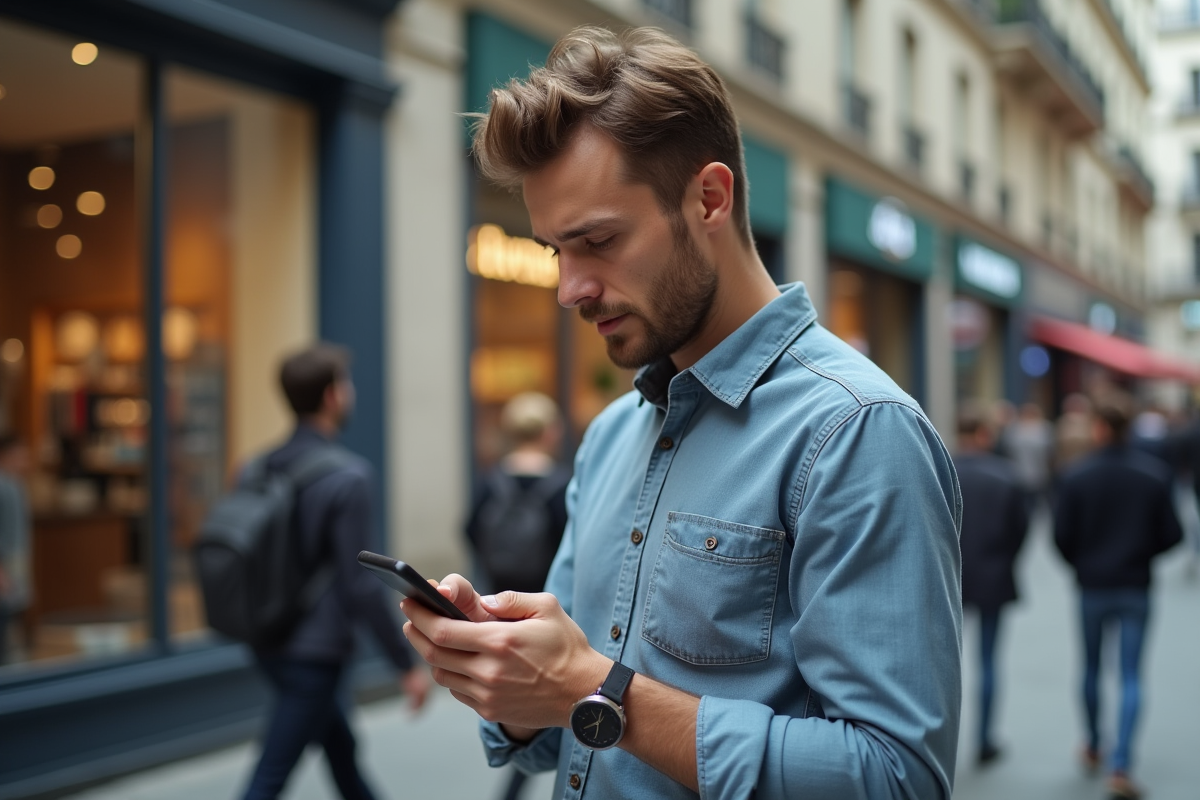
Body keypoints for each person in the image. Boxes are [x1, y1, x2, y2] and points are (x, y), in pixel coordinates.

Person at [402, 26, 962, 800]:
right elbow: (560, 734)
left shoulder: (857, 431)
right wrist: (517, 677)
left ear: (709, 198)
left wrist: (594, 691)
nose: (569, 287)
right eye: (556, 250)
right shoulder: (608, 436)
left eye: (597, 240)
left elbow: (894, 779)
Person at [240, 344, 430, 800]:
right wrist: (405, 665)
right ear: (331, 397)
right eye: (345, 385)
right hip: (315, 652)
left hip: (266, 638)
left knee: (341, 751)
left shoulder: (255, 467)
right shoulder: (348, 476)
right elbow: (360, 585)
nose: (350, 392)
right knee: (270, 774)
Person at [1054, 392, 1182, 800]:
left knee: (1091, 669)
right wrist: (1141, 553)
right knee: (1130, 674)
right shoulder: (1154, 475)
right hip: (1135, 584)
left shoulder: (1076, 475)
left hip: (1091, 585)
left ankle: (1093, 743)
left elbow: (1061, 537)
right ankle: (1122, 762)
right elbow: (1174, 534)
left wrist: (1083, 561)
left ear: (1099, 427)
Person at [465, 391, 570, 800]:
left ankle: (513, 778)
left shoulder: (491, 481)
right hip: (549, 603)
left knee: (516, 698)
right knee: (545, 699)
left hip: (500, 601)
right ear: (549, 432)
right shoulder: (563, 484)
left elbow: (471, 530)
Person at [953, 405, 1029, 767]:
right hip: (995, 576)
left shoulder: (942, 471)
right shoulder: (1007, 477)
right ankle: (984, 739)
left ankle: (945, 741)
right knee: (988, 661)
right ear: (984, 434)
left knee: (945, 664)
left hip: (950, 578)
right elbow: (1021, 532)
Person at [0, 435, 31, 666]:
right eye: (21, 455)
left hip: (15, 560)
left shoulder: (14, 484)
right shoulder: (4, 486)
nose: (26, 461)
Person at [1006, 402, 1054, 514]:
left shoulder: (1014, 431)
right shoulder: (1045, 430)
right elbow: (1050, 454)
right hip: (1039, 475)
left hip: (1019, 474)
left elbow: (1008, 452)